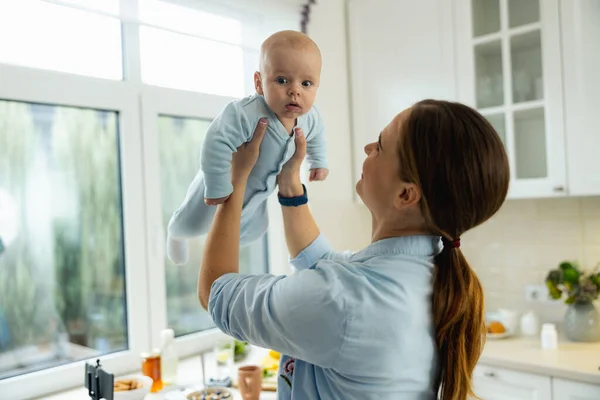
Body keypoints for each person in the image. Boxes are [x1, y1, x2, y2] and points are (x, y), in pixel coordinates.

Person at [198, 99, 510, 400]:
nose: (368, 149)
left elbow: (216, 291)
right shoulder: (420, 275)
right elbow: (323, 264)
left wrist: (234, 181)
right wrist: (289, 181)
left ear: (405, 194)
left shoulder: (346, 301)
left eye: (381, 145)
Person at [166, 30, 329, 265]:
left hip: (258, 194)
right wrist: (217, 184)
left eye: (306, 83)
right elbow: (215, 141)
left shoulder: (310, 117)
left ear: (316, 86)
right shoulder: (246, 113)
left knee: (255, 228)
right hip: (220, 184)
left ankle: (218, 241)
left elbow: (317, 136)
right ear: (259, 83)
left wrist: (318, 161)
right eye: (282, 80)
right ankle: (175, 233)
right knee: (193, 222)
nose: (295, 91)